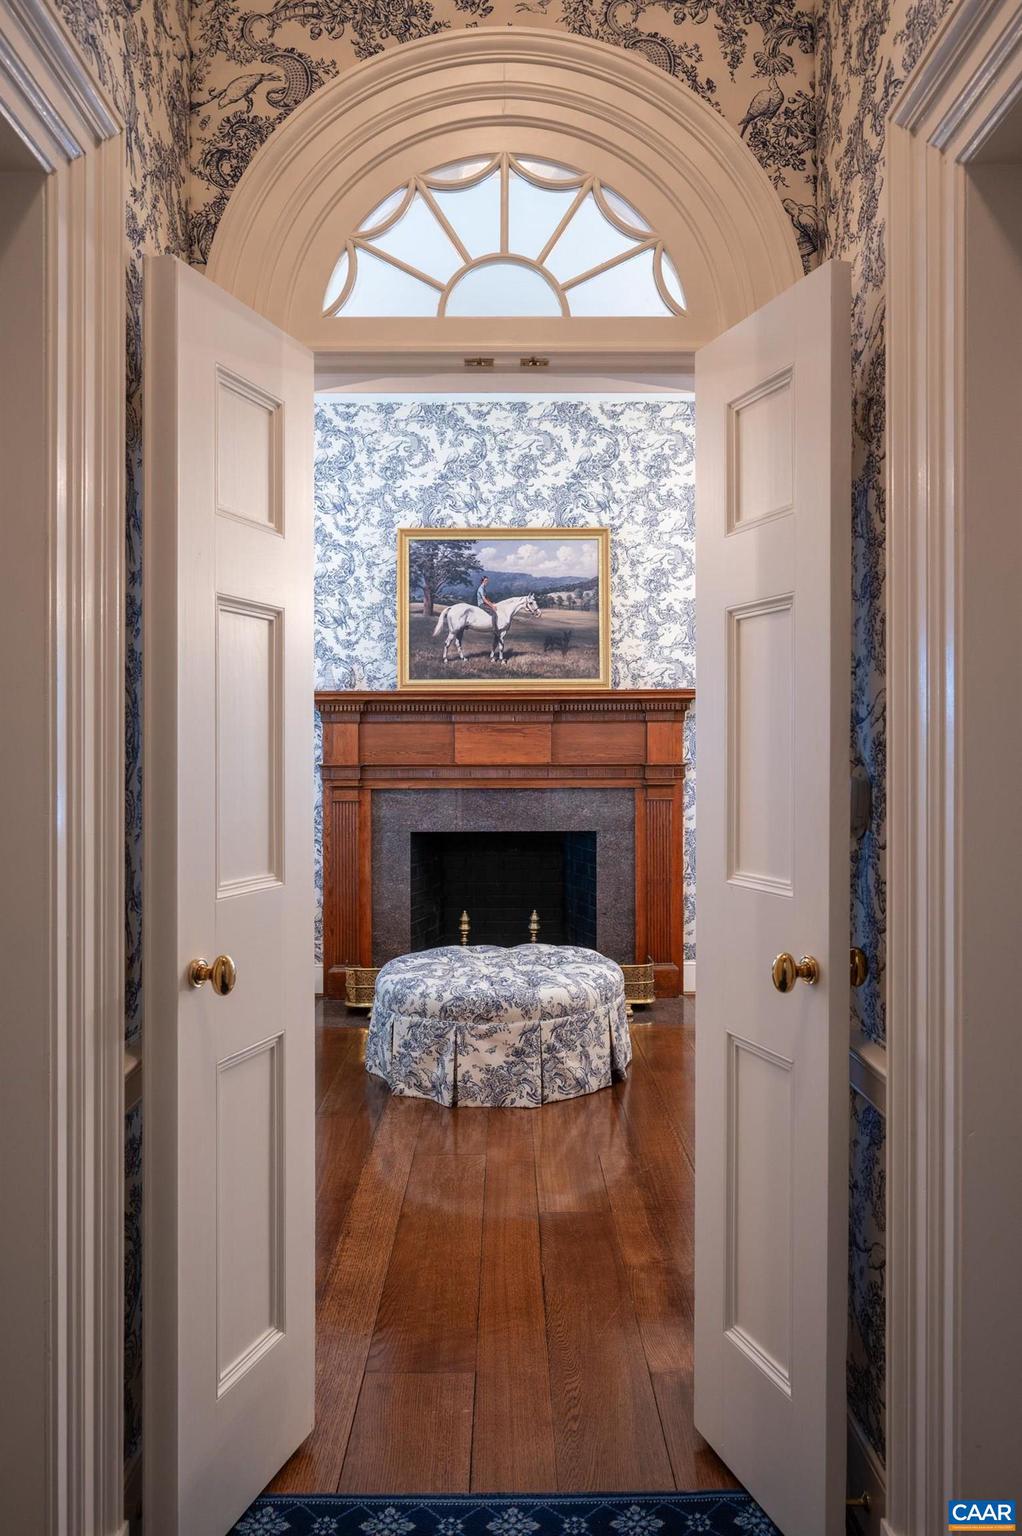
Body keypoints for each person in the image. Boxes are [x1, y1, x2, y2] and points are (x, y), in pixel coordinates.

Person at [476, 575, 500, 649]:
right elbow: (484, 600)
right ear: (483, 581)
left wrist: (492, 603)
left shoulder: (484, 588)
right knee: (494, 613)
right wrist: (492, 606)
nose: (487, 582)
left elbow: (487, 598)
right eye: (486, 581)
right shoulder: (481, 588)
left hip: (484, 603)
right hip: (481, 604)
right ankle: (494, 629)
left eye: (487, 581)